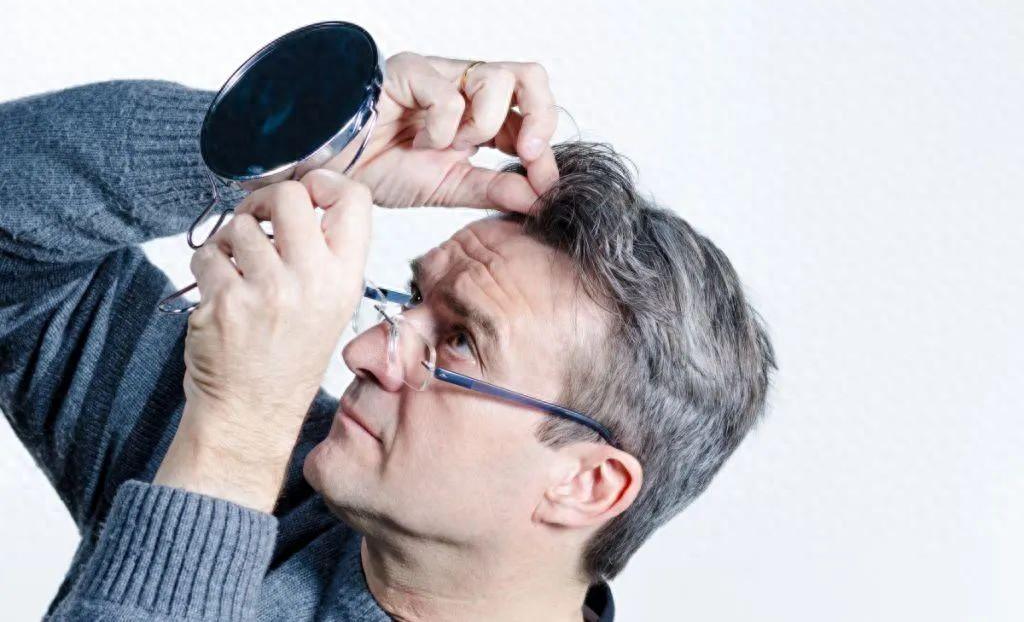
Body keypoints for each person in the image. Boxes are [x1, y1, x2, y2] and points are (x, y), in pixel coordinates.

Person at [0, 52, 775, 621]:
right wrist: (302, 142)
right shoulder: (283, 468)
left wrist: (234, 441)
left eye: (461, 343)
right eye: (412, 303)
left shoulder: (241, 434)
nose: (361, 353)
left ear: (587, 484)